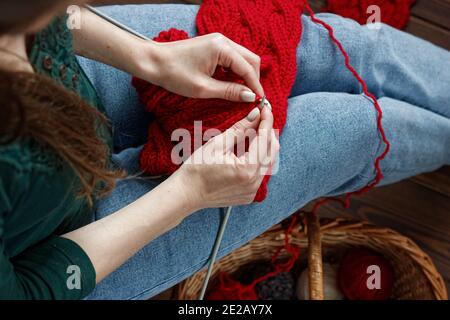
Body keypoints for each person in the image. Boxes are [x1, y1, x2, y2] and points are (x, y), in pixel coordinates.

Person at [0, 0, 449, 300]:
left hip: (77, 77)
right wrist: (186, 195)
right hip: (64, 249)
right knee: (356, 129)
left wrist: (151, 58)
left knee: (328, 45)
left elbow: (60, 16)